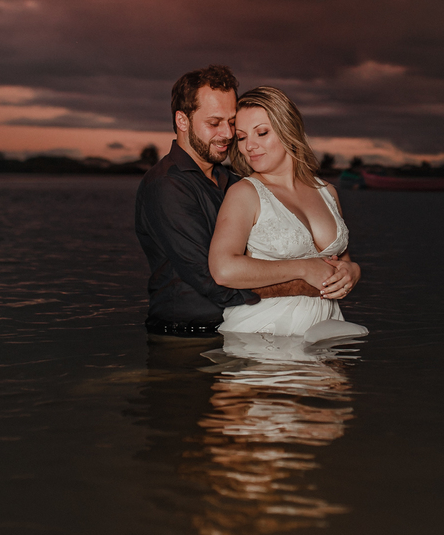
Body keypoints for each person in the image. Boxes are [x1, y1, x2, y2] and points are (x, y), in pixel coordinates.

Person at [135, 66, 326, 339]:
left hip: (238, 330)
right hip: (186, 337)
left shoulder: (236, 182)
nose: (226, 134)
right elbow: (214, 281)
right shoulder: (166, 186)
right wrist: (304, 284)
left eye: (232, 122)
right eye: (214, 123)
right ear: (182, 120)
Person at [209, 86, 367, 341]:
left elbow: (341, 259)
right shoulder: (245, 193)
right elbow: (223, 269)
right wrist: (303, 268)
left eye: (261, 133)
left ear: (288, 130)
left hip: (326, 328)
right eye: (241, 137)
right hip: (264, 333)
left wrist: (353, 271)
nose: (250, 145)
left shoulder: (327, 191)